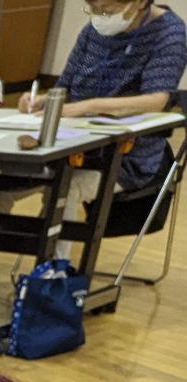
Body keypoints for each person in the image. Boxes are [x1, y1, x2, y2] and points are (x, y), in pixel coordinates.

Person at [25, 0, 187, 257]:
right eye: (94, 9)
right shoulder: (94, 31)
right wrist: (42, 100)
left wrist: (89, 106)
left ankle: (53, 275)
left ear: (139, 4)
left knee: (66, 185)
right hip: (68, 145)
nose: (100, 17)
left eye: (108, 10)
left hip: (125, 160)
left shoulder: (168, 33)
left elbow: (158, 100)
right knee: (7, 175)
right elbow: (65, 87)